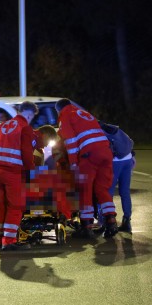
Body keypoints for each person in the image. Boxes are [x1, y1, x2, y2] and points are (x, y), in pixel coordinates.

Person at [55, 98, 117, 238]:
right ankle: (111, 221)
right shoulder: (84, 113)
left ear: (58, 110)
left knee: (85, 189)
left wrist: (73, 163)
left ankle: (87, 226)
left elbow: (70, 141)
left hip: (89, 154)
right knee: (102, 188)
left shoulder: (65, 115)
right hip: (105, 152)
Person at [0, 102, 37, 250]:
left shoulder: (2, 126)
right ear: (29, 114)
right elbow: (27, 156)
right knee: (15, 206)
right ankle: (9, 241)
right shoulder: (25, 128)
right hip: (12, 173)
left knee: (1, 206)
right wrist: (31, 174)